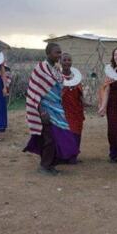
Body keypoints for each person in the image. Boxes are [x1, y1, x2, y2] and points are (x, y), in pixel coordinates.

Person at [24, 43, 79, 175]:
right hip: (45, 110)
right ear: (48, 53)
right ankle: (44, 166)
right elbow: (34, 93)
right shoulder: (40, 69)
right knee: (49, 139)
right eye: (57, 53)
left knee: (57, 137)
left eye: (60, 52)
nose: (59, 55)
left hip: (56, 108)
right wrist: (41, 111)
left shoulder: (55, 69)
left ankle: (51, 164)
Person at [60, 53, 85, 154]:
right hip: (63, 110)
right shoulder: (57, 76)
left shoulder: (76, 77)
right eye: (64, 60)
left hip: (76, 110)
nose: (67, 62)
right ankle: (65, 154)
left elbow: (80, 94)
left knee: (76, 132)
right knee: (66, 132)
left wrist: (84, 102)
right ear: (60, 62)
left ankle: (74, 154)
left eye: (69, 60)